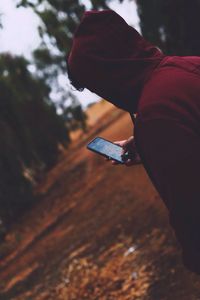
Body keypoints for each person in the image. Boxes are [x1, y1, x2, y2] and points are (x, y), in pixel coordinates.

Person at [67, 9, 200, 275]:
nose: (104, 95)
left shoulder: (157, 115)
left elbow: (191, 211)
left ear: (110, 72)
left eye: (97, 86)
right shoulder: (187, 65)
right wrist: (147, 145)